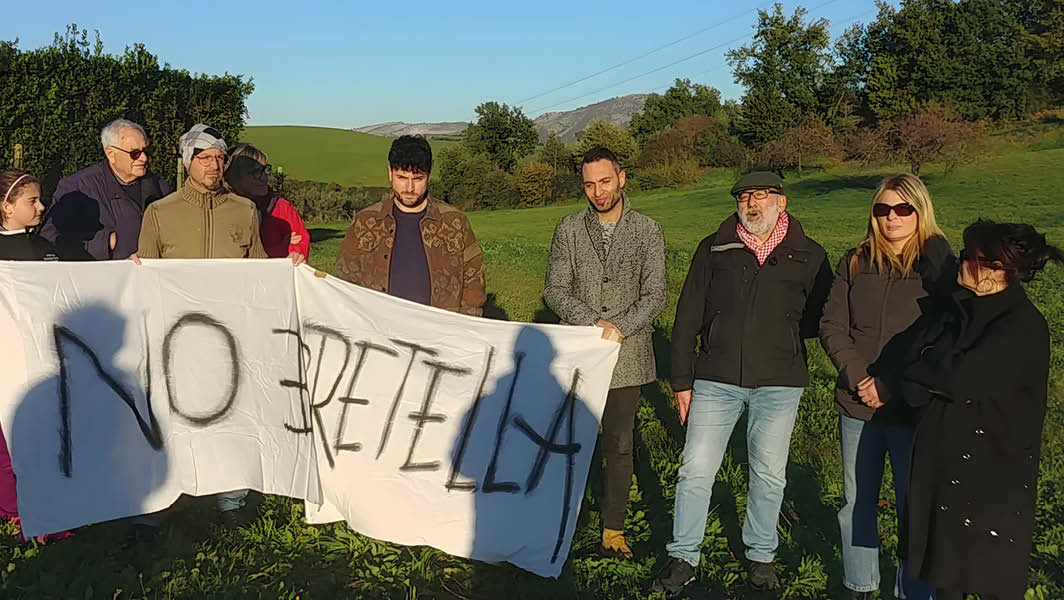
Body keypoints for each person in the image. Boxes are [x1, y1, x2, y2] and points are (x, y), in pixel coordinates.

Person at [653, 171, 833, 595]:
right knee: (695, 469)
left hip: (779, 380)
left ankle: (761, 556)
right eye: (745, 197)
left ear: (781, 202)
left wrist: (784, 334)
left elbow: (821, 315)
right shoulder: (715, 248)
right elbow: (687, 316)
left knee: (769, 473)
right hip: (715, 378)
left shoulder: (809, 254)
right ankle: (683, 556)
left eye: (761, 196)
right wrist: (682, 381)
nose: (752, 204)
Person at [870, 220, 1062, 600]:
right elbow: (919, 365)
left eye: (969, 257)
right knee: (946, 574)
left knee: (991, 577)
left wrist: (923, 374)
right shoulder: (959, 309)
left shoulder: (1021, 326)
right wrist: (922, 375)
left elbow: (959, 378)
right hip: (946, 466)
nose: (959, 262)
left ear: (995, 271)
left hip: (993, 474)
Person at [819, 174, 953, 600]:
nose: (891, 218)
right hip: (857, 403)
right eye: (882, 209)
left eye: (902, 209)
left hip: (912, 406)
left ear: (920, 211)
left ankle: (914, 590)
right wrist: (860, 377)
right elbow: (831, 324)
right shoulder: (855, 261)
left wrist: (892, 384)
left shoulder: (938, 267)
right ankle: (860, 585)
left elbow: (943, 336)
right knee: (856, 502)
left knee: (913, 505)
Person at [135, 123, 267, 527]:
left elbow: (259, 270)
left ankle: (231, 499)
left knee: (230, 412)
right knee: (168, 415)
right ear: (187, 161)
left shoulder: (244, 211)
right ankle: (158, 500)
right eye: (205, 157)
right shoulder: (159, 213)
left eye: (220, 157)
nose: (214, 165)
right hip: (174, 338)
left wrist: (287, 272)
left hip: (228, 336)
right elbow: (144, 276)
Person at [543, 146, 667, 559]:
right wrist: (592, 324)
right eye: (589, 184)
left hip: (627, 357)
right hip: (579, 354)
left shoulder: (648, 230)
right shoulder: (568, 229)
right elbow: (555, 289)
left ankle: (613, 528)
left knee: (619, 443)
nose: (597, 191)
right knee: (570, 441)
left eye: (605, 181)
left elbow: (656, 294)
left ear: (622, 178)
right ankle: (562, 518)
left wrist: (621, 327)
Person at [334, 135, 485, 315]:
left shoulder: (455, 222)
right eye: (402, 177)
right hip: (379, 329)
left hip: (441, 333)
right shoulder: (366, 221)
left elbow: (474, 282)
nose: (409, 187)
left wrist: (466, 327)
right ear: (390, 172)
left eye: (418, 178)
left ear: (428, 176)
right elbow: (344, 281)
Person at [0, 169, 72, 544]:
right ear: (6, 207)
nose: (42, 207)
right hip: (3, 362)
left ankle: (50, 514)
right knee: (6, 444)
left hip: (41, 357)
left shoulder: (46, 249)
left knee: (45, 439)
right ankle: (15, 514)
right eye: (32, 201)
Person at [39, 118, 173, 260]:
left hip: (151, 276)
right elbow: (51, 238)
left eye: (147, 150)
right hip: (103, 277)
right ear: (110, 154)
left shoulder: (161, 186)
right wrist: (107, 242)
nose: (144, 158)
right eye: (135, 153)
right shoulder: (78, 187)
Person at [223, 143, 309, 264]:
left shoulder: (281, 208)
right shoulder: (223, 208)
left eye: (265, 170)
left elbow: (300, 242)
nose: (264, 177)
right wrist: (280, 247)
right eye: (256, 172)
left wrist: (295, 254)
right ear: (236, 176)